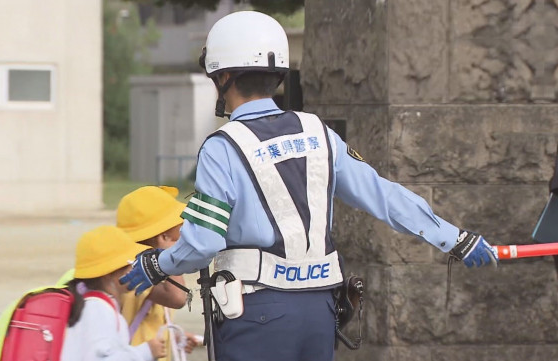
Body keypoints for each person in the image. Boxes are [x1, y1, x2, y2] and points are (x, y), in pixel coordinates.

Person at [119, 11, 499, 361]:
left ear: (223, 77)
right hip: (320, 311)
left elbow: (203, 244)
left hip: (256, 314)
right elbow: (383, 195)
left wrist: (156, 264)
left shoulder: (223, 147)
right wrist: (455, 238)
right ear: (279, 73)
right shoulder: (319, 132)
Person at [116, 186, 202, 360]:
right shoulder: (132, 269)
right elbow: (178, 298)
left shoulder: (153, 270)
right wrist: (170, 258)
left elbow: (151, 317)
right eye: (180, 236)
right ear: (163, 237)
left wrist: (175, 335)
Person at [61, 225, 166, 361]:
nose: (136, 269)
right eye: (132, 263)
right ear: (109, 273)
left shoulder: (93, 305)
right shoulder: (98, 309)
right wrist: (145, 351)